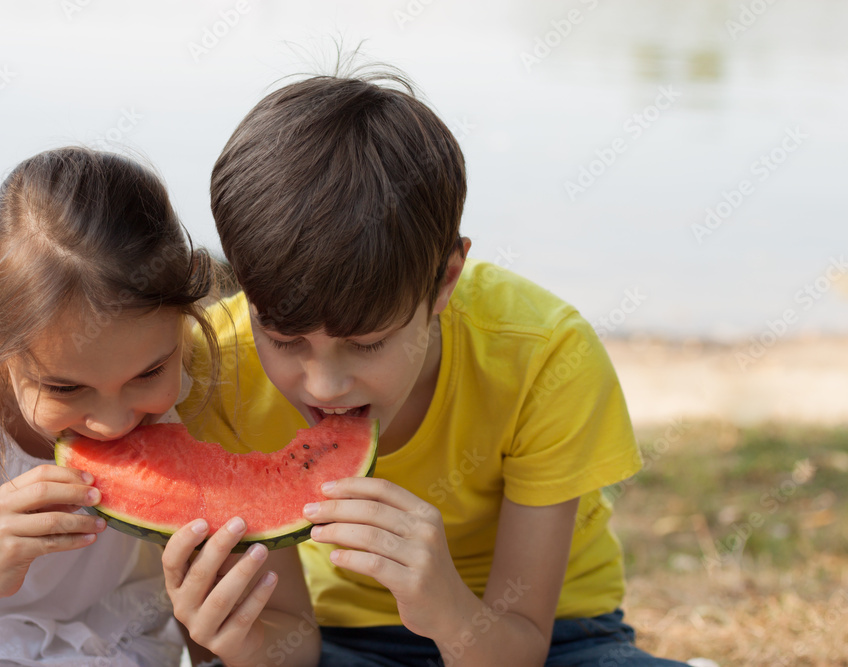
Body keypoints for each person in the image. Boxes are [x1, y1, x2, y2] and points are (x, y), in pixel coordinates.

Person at [178, 68, 692, 666]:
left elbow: (519, 647)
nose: (324, 385)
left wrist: (445, 605)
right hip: (338, 639)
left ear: (445, 279)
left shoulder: (546, 355)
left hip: (551, 641)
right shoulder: (214, 371)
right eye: (284, 339)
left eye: (368, 344)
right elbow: (294, 644)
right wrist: (244, 645)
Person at [0, 147, 317, 667]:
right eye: (65, 389)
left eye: (149, 373)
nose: (114, 423)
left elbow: (295, 637)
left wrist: (228, 636)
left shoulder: (206, 383)